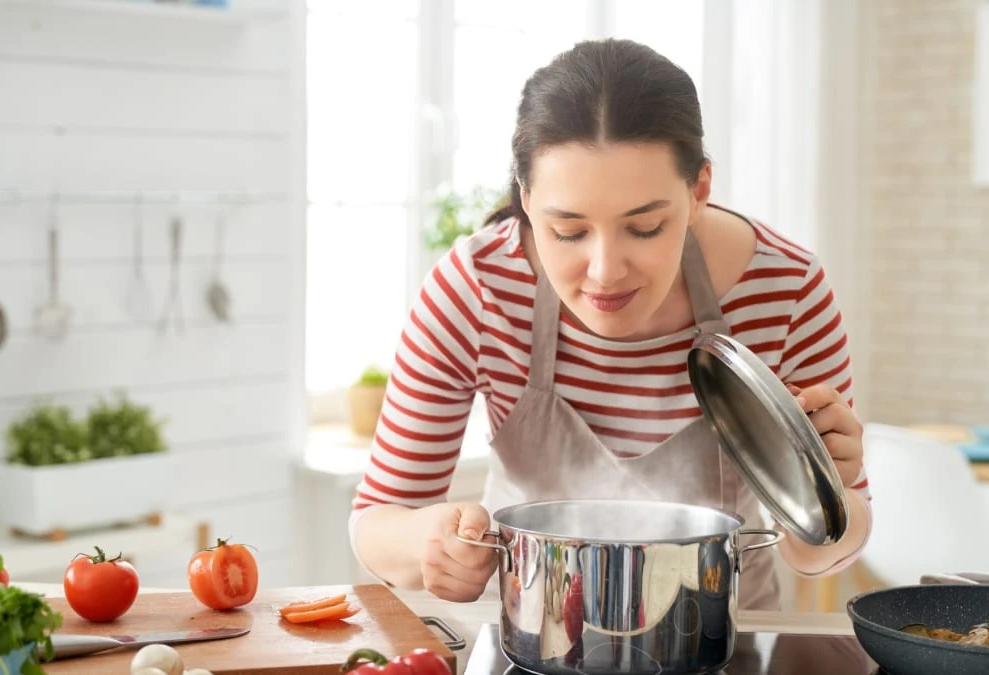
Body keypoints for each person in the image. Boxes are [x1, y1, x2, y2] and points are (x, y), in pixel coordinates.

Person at [348, 38, 871, 610]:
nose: (604, 273)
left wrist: (829, 490)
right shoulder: (477, 288)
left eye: (644, 227)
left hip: (726, 645)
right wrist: (431, 544)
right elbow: (377, 520)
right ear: (525, 198)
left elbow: (819, 555)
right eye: (568, 231)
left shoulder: (784, 289)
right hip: (531, 642)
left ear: (698, 191)